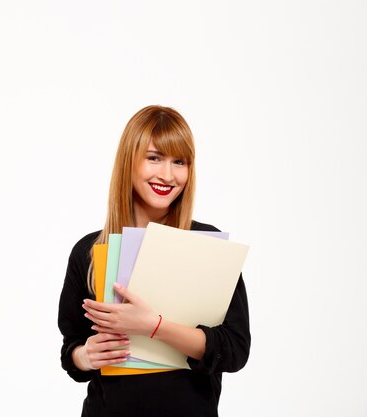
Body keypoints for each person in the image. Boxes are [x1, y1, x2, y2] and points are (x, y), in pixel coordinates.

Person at [57, 105, 250, 417]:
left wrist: (154, 326)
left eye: (180, 162)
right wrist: (86, 356)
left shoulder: (207, 245)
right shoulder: (90, 251)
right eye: (154, 158)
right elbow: (72, 349)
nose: (168, 175)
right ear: (129, 161)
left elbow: (235, 350)